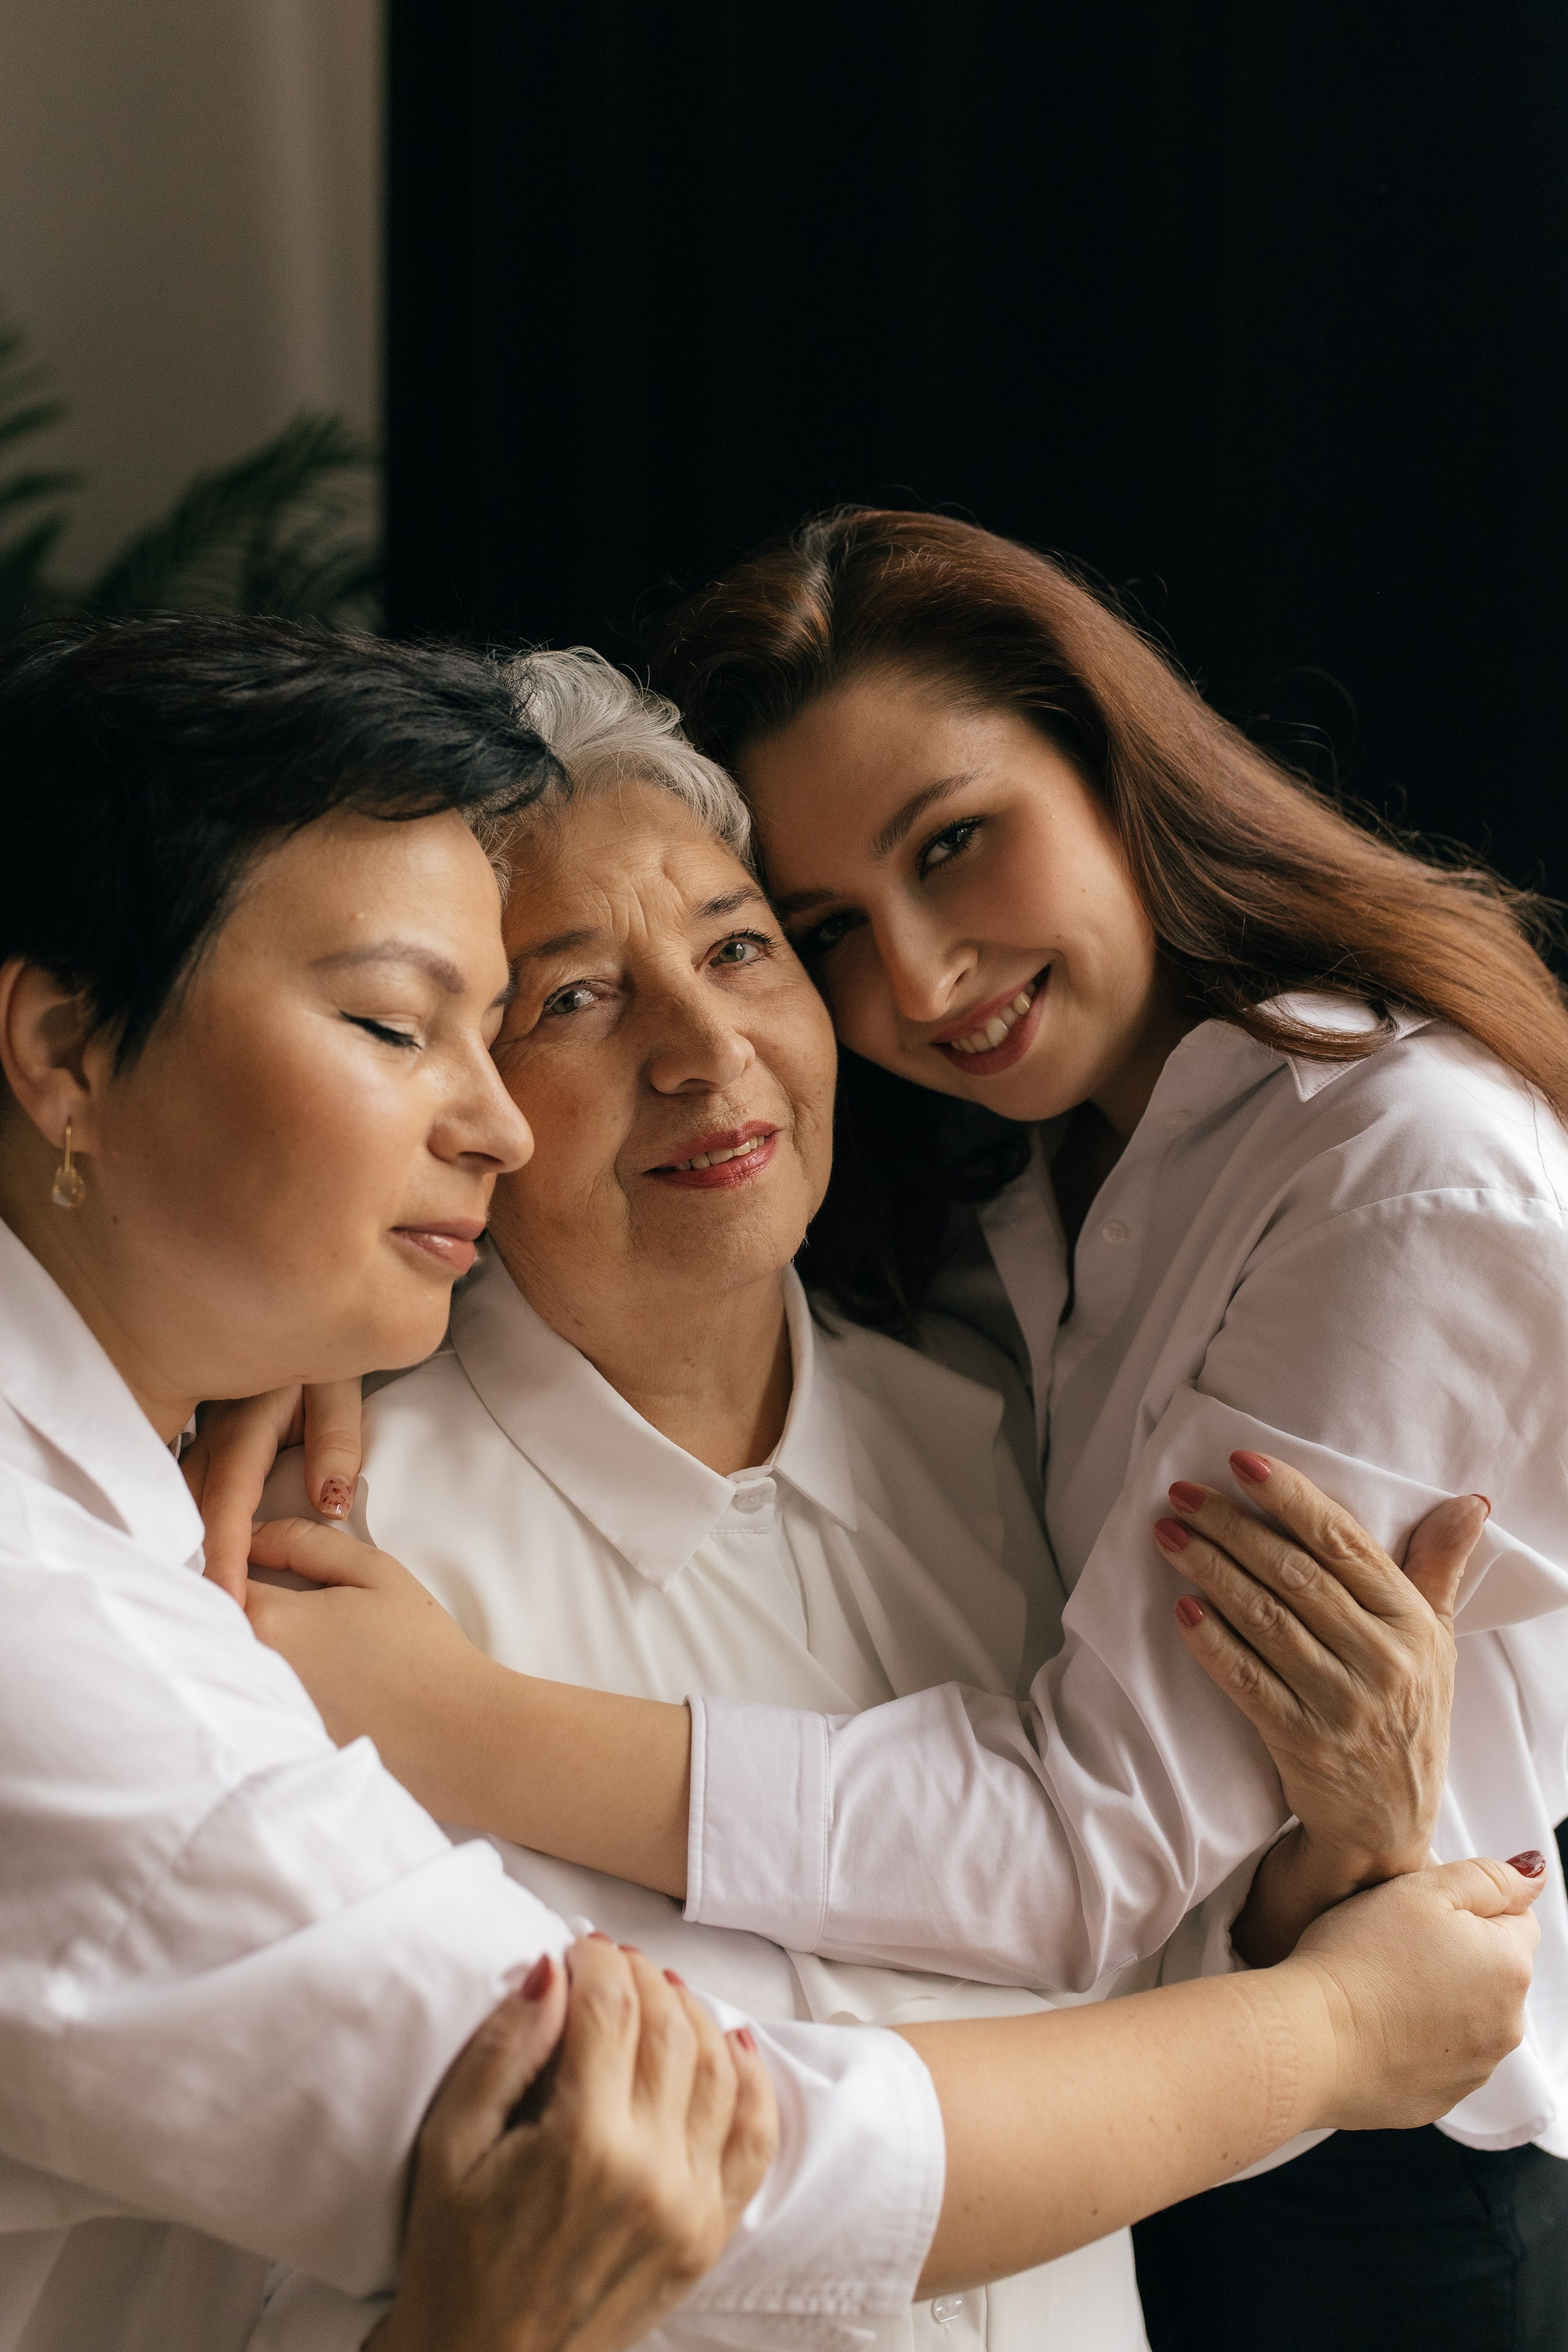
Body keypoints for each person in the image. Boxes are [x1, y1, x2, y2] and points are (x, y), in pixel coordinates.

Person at [1, 614, 1539, 2352]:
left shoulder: (997, 1433)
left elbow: (1128, 1949)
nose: (700, 1049)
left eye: (743, 950)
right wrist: (1327, 2028)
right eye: (563, 1000)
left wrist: (1341, 1856)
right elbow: (575, 2177)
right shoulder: (289, 1561)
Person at [639, 507, 1568, 2348]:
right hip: (1163, 2140)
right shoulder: (1053, 1185)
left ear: (1113, 762)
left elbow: (1086, 1844)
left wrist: (426, 1712)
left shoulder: (1399, 1176)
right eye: (827, 929)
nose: (913, 981)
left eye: (954, 843)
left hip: (1392, 2189)